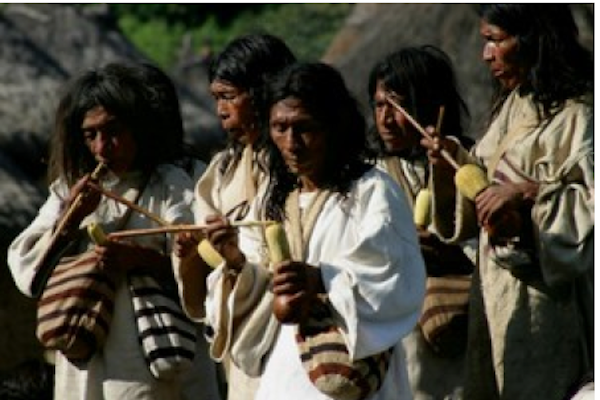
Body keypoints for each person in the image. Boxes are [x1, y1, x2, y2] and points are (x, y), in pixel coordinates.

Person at [184, 61, 426, 400]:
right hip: (287, 369)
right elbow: (256, 284)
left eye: (304, 128)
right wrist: (236, 261)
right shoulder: (274, 202)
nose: (291, 143)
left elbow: (394, 271)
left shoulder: (372, 191)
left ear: (334, 128)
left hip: (351, 364)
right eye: (279, 128)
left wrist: (321, 278)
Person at [7, 62, 221, 400]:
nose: (103, 147)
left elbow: (207, 267)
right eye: (91, 135)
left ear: (137, 128)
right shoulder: (68, 191)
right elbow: (25, 266)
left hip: (160, 360)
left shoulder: (172, 182)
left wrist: (140, 259)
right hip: (87, 366)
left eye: (113, 131)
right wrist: (70, 219)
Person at [420, 5, 593, 400]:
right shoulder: (513, 107)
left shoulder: (579, 115)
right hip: (498, 298)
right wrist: (451, 163)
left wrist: (528, 193)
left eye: (496, 40)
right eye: (485, 42)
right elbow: (481, 191)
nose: (486, 55)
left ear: (534, 40)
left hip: (552, 303)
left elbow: (590, 205)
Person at [172, 32, 296, 400]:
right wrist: (193, 251)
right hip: (245, 342)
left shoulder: (301, 167)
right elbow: (209, 274)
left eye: (229, 97)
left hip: (295, 330)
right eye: (216, 99)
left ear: (262, 92)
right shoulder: (221, 173)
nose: (220, 110)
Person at [367, 45, 476, 400]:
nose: (385, 119)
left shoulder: (469, 161)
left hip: (462, 326)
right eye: (379, 105)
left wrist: (450, 251)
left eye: (397, 107)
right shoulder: (367, 176)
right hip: (399, 336)